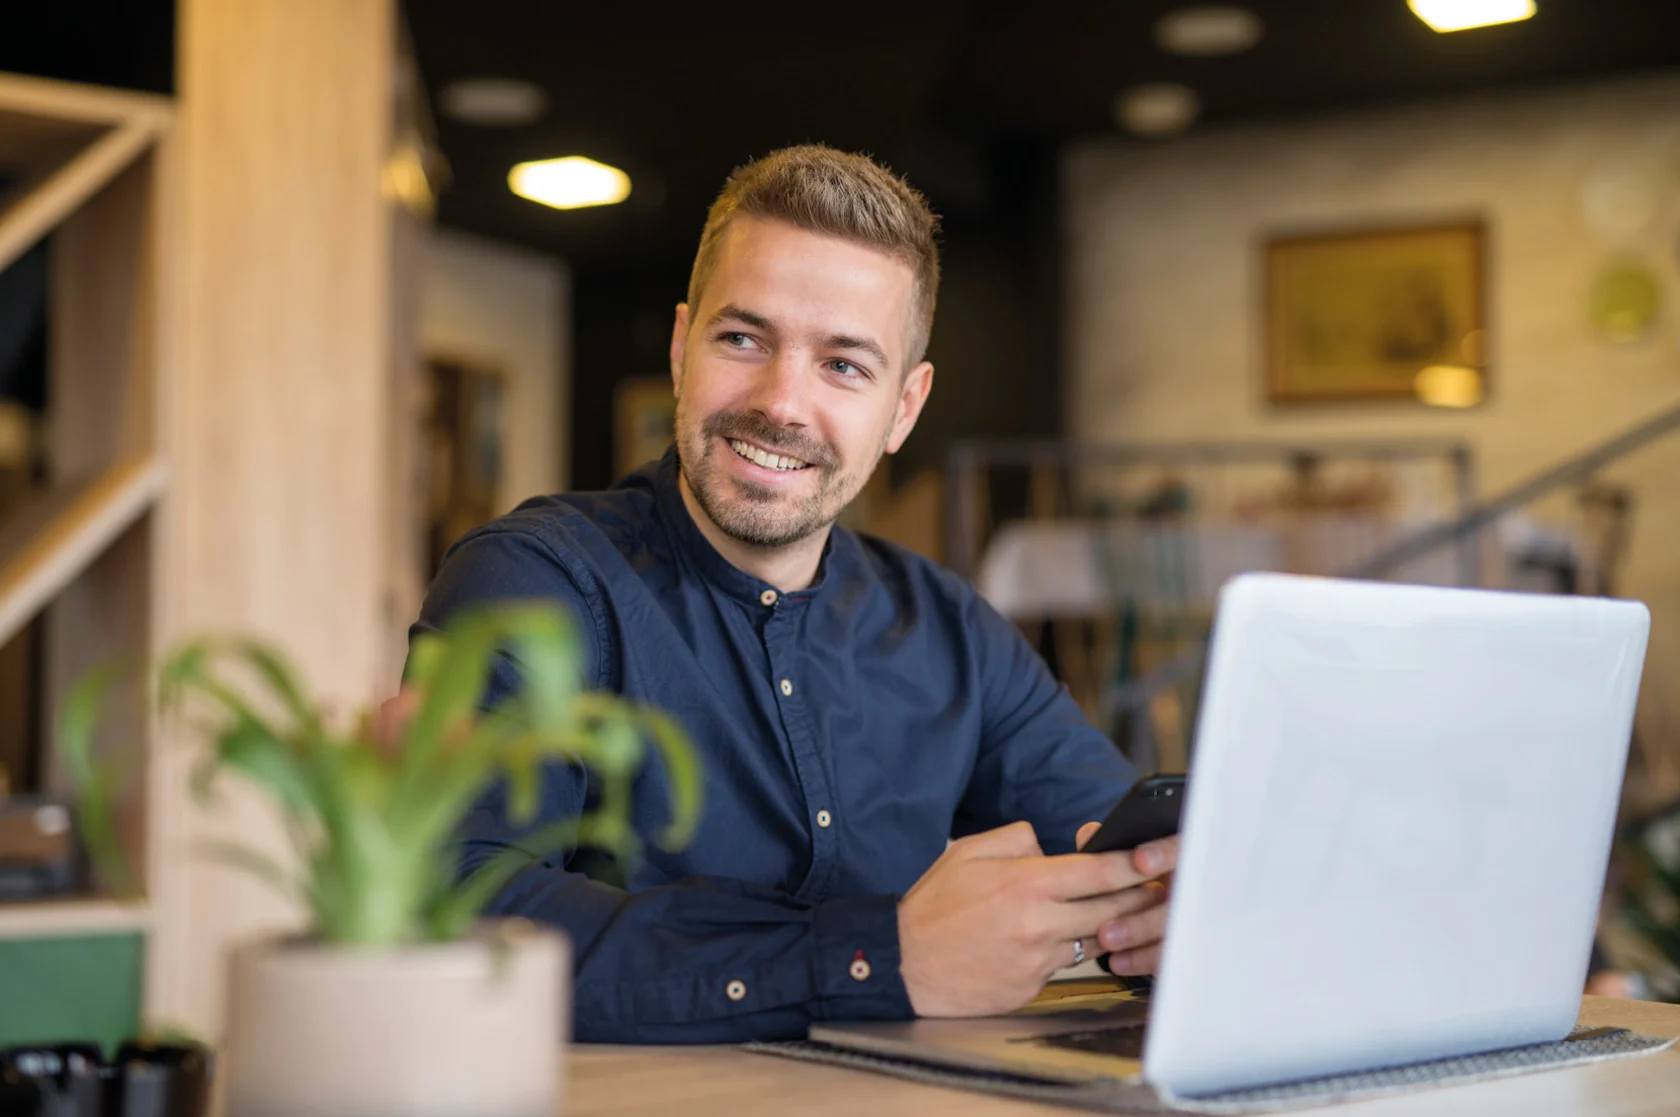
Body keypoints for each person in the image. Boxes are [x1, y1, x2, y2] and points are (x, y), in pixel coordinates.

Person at [410, 145, 1178, 1043]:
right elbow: (462, 904)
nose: (781, 403)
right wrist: (876, 954)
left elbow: (1120, 845)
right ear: (681, 348)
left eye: (844, 365)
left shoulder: (951, 630)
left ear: (904, 408)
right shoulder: (533, 582)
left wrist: (1159, 913)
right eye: (743, 339)